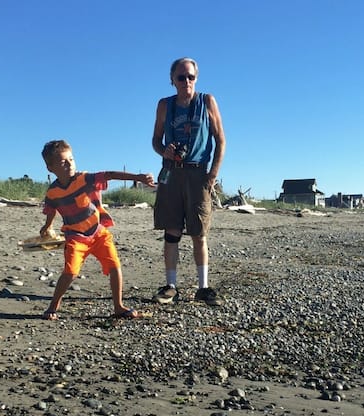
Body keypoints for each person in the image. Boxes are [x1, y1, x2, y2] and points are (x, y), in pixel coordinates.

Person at [39, 140, 155, 321]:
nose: (70, 164)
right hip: (75, 238)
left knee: (115, 266)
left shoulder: (84, 179)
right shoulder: (53, 192)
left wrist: (138, 178)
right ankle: (53, 306)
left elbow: (109, 175)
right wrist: (47, 226)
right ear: (50, 168)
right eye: (63, 162)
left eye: (71, 159)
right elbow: (51, 210)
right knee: (70, 272)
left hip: (98, 233)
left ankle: (118, 306)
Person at [151, 57, 226, 306]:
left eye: (190, 77)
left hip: (198, 173)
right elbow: (155, 141)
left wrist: (212, 175)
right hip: (172, 172)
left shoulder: (207, 102)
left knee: (198, 232)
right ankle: (171, 286)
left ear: (196, 78)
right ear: (172, 80)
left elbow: (220, 140)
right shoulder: (165, 105)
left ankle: (203, 287)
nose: (186, 82)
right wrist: (166, 152)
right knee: (171, 231)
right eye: (181, 77)